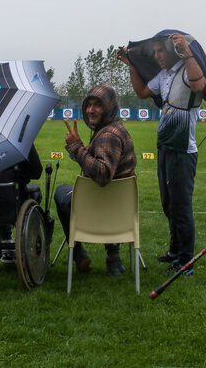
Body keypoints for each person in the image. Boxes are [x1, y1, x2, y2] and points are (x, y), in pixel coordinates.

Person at [118, 32, 206, 274]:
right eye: (155, 51)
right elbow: (142, 92)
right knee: (168, 203)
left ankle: (185, 261)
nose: (157, 56)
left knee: (181, 206)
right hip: (165, 146)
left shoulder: (187, 70)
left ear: (171, 51)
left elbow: (199, 85)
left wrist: (186, 51)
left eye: (161, 51)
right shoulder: (164, 75)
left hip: (182, 151)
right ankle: (174, 250)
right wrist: (131, 65)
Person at [54, 83, 137, 276]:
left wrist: (76, 146)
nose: (91, 110)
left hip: (98, 211)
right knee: (103, 197)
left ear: (109, 106)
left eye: (97, 105)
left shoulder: (108, 135)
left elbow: (101, 174)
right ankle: (113, 257)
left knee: (62, 192)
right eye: (88, 105)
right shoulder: (113, 128)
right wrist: (79, 149)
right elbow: (95, 165)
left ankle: (79, 253)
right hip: (119, 214)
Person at [0, 145, 42, 264]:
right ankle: (22, 237)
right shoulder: (19, 138)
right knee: (36, 193)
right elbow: (36, 171)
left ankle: (5, 237)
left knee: (0, 191)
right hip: (12, 199)